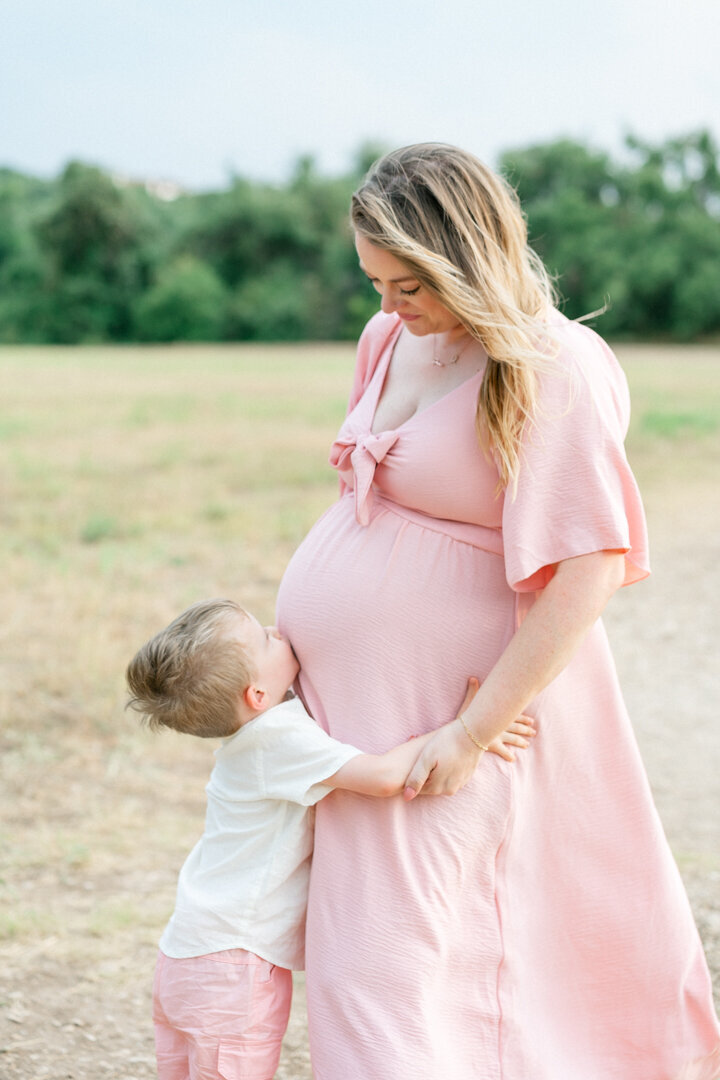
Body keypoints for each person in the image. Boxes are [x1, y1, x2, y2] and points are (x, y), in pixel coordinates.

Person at [276, 143, 720, 1079]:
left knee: (398, 964)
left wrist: (476, 730)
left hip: (460, 718)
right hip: (358, 718)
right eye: (375, 283)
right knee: (374, 955)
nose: (387, 306)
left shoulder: (554, 364)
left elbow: (589, 567)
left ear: (470, 259)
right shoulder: (386, 339)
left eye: (408, 285)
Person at [125, 597, 534, 1080]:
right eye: (263, 638)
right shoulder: (277, 738)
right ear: (256, 695)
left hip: (185, 956)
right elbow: (383, 776)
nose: (278, 631)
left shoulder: (253, 742)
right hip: (232, 965)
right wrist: (467, 729)